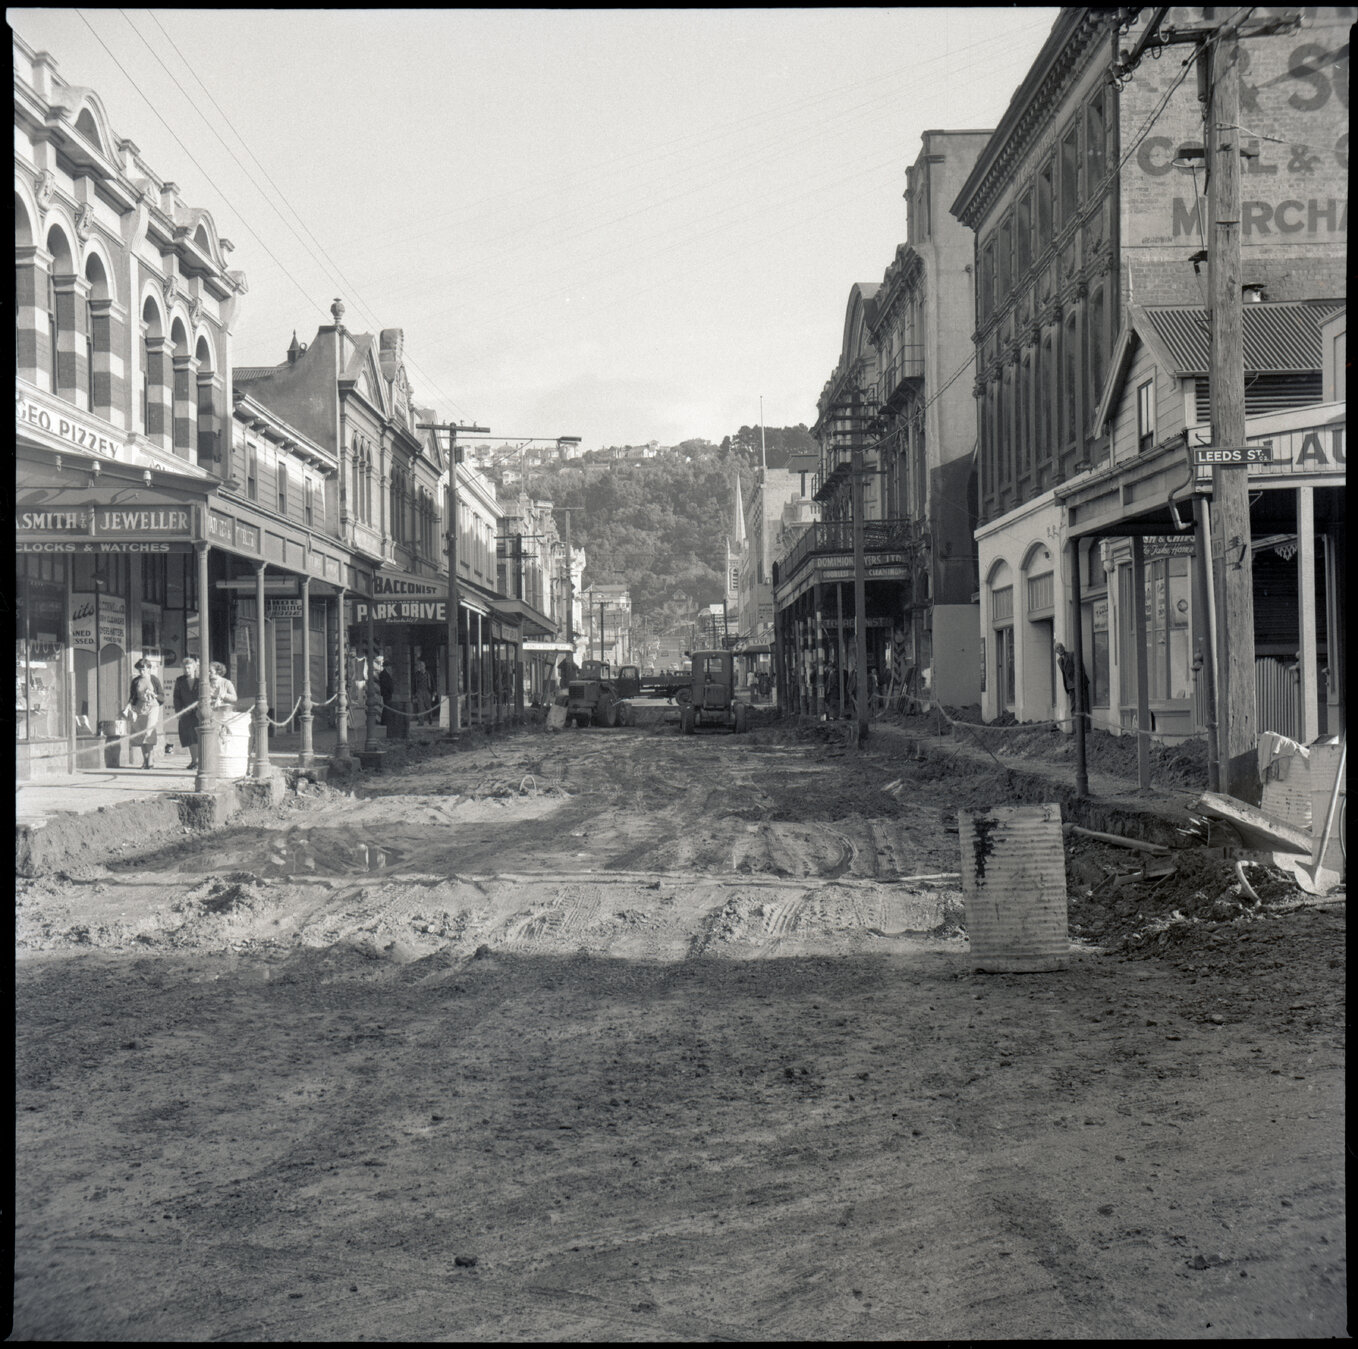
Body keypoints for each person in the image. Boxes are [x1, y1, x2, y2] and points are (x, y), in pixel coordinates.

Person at [124, 657, 164, 769]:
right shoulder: (136, 681)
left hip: (152, 707)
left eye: (143, 669)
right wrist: (129, 705)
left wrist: (154, 695)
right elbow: (133, 696)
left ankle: (150, 761)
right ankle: (145, 761)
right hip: (139, 708)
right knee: (141, 733)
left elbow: (161, 695)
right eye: (140, 669)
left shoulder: (154, 679)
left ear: (149, 669)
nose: (141, 671)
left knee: (149, 732)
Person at [173, 655, 201, 769]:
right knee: (189, 737)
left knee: (198, 736)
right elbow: (176, 697)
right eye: (185, 668)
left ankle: (200, 761)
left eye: (189, 667)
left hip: (199, 712)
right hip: (185, 712)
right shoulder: (180, 680)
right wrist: (178, 711)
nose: (187, 670)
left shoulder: (201, 680)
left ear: (194, 667)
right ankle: (194, 760)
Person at [1055, 642, 1091, 718]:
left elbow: (1080, 668)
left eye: (1061, 647)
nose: (1060, 649)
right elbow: (1065, 675)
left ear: (1064, 647)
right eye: (1057, 648)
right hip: (1070, 686)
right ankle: (1074, 724)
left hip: (1080, 684)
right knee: (1073, 707)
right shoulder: (1059, 661)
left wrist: (1080, 683)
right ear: (1056, 651)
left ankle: (1085, 724)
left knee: (1084, 705)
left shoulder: (1071, 654)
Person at [373, 654, 396, 726]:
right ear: (386, 667)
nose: (390, 667)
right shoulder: (383, 674)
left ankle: (385, 721)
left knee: (387, 708)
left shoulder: (386, 674)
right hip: (386, 693)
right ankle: (384, 721)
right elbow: (385, 684)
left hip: (387, 693)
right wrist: (390, 690)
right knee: (386, 707)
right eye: (389, 666)